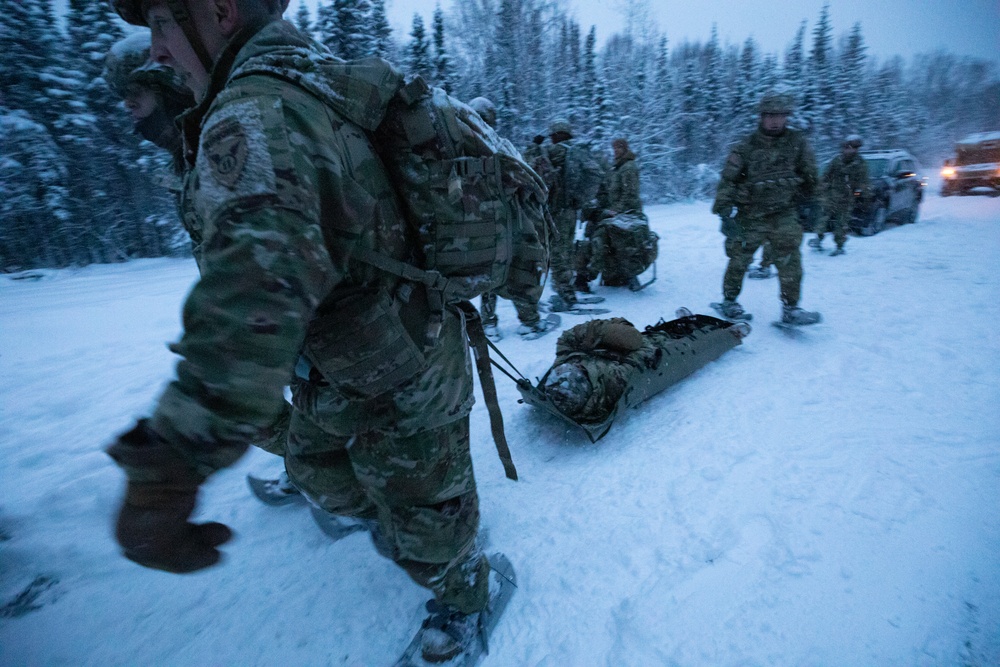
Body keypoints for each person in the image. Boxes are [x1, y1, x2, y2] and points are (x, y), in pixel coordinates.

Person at [106, 0, 496, 661]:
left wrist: (169, 467)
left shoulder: (257, 110)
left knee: (426, 513)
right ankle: (409, 524)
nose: (158, 52)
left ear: (221, 11)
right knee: (321, 466)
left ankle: (464, 590)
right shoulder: (293, 87)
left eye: (163, 26)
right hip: (345, 360)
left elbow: (254, 291)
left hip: (405, 364)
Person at [711, 89, 822, 326]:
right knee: (739, 259)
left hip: (784, 213)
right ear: (761, 117)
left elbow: (810, 174)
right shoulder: (745, 147)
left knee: (790, 260)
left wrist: (814, 203)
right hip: (750, 215)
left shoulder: (797, 144)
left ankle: (791, 308)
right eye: (769, 115)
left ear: (787, 117)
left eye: (780, 115)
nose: (774, 120)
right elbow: (728, 181)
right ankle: (729, 301)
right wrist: (724, 211)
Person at [468, 96, 555, 340]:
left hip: (476, 225)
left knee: (489, 274)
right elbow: (525, 179)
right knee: (519, 271)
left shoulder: (458, 146)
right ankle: (529, 322)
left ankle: (489, 324)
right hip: (506, 223)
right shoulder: (497, 143)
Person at [103, 32, 194, 174]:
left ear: (169, 91)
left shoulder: (215, 144)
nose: (127, 104)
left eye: (135, 91)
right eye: (123, 95)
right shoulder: (184, 160)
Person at [538, 119, 602, 313]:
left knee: (557, 252)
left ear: (557, 135)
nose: (551, 139)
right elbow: (596, 173)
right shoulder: (578, 151)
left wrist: (535, 146)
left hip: (555, 211)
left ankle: (564, 293)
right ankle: (566, 290)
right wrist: (581, 198)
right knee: (565, 249)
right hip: (570, 210)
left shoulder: (555, 151)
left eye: (552, 136)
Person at [577, 137, 654, 292]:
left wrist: (615, 210)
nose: (615, 151)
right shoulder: (617, 167)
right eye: (614, 148)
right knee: (608, 240)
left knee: (603, 241)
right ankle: (619, 274)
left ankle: (585, 277)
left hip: (628, 215)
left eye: (619, 148)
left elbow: (630, 195)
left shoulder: (628, 167)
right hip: (620, 214)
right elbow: (611, 192)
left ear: (625, 148)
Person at [811, 134, 870, 256]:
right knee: (823, 219)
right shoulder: (836, 160)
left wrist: (865, 195)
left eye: (853, 147)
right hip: (831, 196)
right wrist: (820, 188)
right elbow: (826, 176)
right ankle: (818, 239)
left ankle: (839, 246)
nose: (850, 150)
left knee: (841, 223)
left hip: (847, 198)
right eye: (847, 147)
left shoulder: (860, 164)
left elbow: (864, 181)